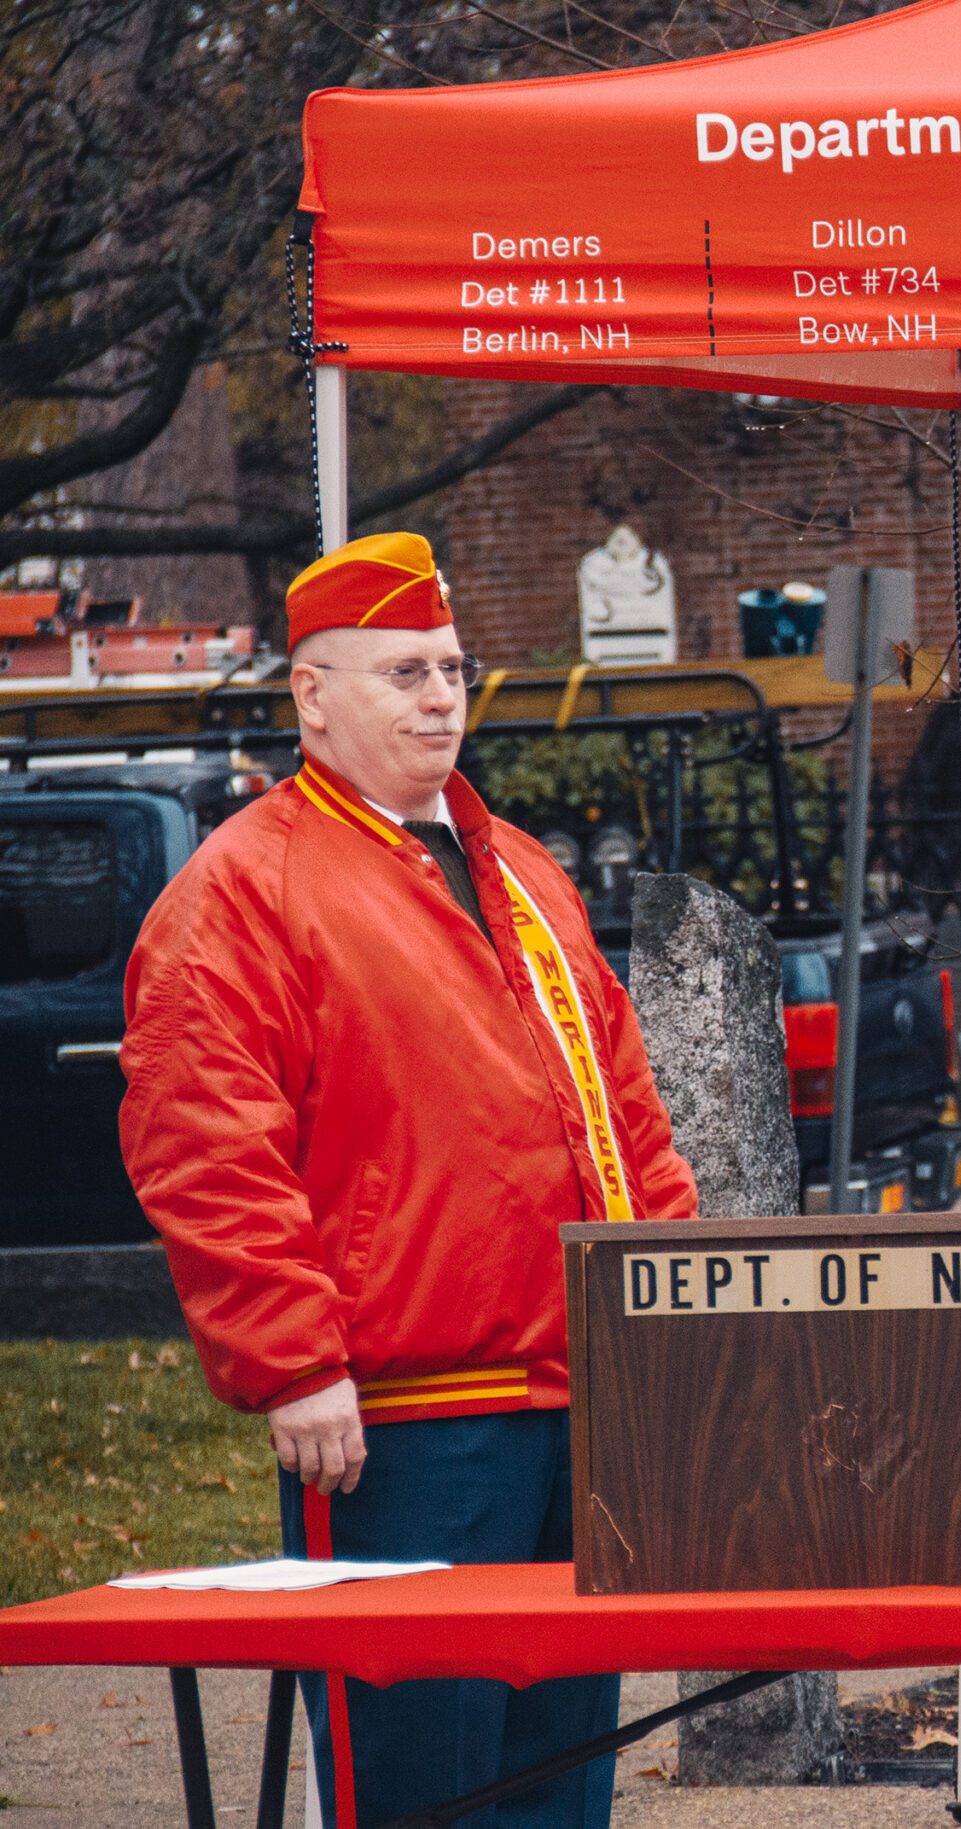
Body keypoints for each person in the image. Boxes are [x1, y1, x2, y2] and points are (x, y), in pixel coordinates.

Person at [120, 531, 698, 1829]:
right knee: (424, 1782)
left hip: (578, 1403)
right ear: (312, 696)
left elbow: (629, 1123)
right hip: (401, 1416)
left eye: (450, 666)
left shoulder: (529, 874)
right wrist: (294, 1355)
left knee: (561, 1774)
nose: (441, 695)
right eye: (402, 672)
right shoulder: (242, 891)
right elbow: (201, 1133)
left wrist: (674, 1319)